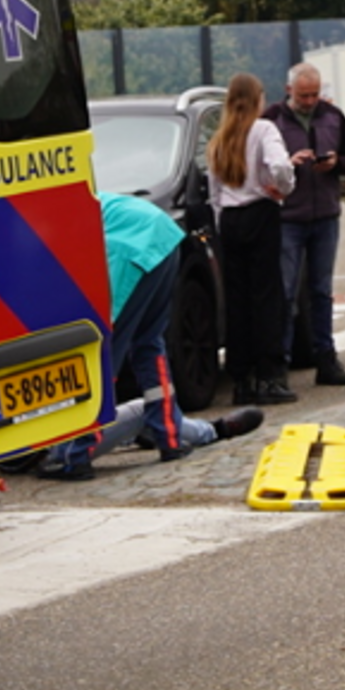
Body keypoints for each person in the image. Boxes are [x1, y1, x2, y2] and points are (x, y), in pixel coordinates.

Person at [36, 190, 266, 478]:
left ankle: (75, 455)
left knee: (102, 357)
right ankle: (169, 439)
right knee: (149, 344)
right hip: (163, 239)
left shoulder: (37, 218)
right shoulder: (80, 195)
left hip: (128, 249)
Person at [266, 62, 345, 386]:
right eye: (303, 95)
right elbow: (256, 164)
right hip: (288, 218)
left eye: (314, 95)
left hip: (325, 214)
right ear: (288, 90)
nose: (310, 101)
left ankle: (326, 358)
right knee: (285, 291)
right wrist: (287, 165)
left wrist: (337, 163)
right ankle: (279, 364)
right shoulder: (271, 120)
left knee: (321, 291)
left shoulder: (333, 116)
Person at [207, 72, 300, 407]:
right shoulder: (263, 130)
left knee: (237, 300)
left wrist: (222, 221)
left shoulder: (221, 138)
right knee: (266, 296)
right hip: (260, 213)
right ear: (257, 99)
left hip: (231, 219)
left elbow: (214, 191)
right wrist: (283, 189)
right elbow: (280, 166)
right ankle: (270, 376)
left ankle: (241, 377)